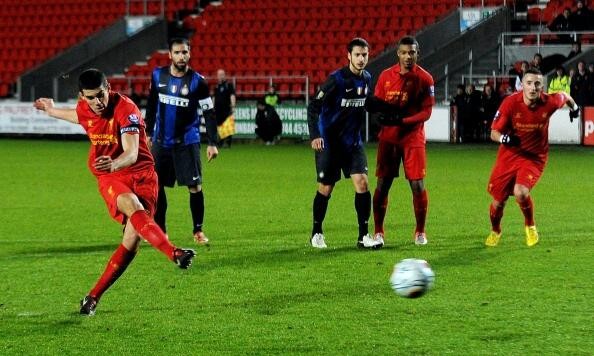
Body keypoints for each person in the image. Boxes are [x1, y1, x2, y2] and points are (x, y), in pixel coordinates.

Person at [33, 69, 196, 316]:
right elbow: (77, 116)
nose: (98, 102)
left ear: (108, 87)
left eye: (101, 95)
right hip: (110, 176)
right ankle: (174, 252)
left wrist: (114, 162)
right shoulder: (85, 108)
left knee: (131, 242)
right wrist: (50, 109)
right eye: (91, 98)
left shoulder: (126, 110)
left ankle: (92, 296)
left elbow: (131, 153)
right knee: (131, 205)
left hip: (140, 174)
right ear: (82, 97)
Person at [485, 67, 579, 248]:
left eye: (537, 84)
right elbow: (494, 133)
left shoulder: (550, 101)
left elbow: (565, 96)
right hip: (509, 154)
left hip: (534, 157)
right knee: (498, 202)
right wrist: (505, 138)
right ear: (522, 85)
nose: (533, 88)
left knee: (521, 192)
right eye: (529, 83)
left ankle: (530, 225)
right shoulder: (510, 103)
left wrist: (575, 109)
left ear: (542, 86)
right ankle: (495, 230)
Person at [145, 37, 219, 246]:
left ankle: (198, 230)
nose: (181, 56)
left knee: (195, 187)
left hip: (187, 141)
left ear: (190, 54)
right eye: (177, 52)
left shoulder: (198, 81)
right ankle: (161, 231)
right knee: (157, 187)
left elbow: (209, 113)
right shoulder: (158, 76)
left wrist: (212, 142)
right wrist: (148, 133)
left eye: (185, 52)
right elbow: (151, 105)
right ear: (170, 55)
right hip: (161, 141)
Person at [307, 37, 377, 249]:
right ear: (349, 56)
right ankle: (316, 232)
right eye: (357, 55)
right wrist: (315, 135)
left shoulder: (366, 78)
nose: (361, 58)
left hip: (352, 143)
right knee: (326, 188)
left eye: (364, 55)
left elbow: (367, 104)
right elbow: (313, 107)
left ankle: (363, 235)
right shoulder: (335, 80)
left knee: (363, 183)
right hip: (329, 143)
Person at [369, 35, 435, 247]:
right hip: (388, 138)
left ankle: (420, 232)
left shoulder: (425, 79)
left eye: (412, 52)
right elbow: (378, 103)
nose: (408, 56)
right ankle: (378, 231)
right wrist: (378, 115)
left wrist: (403, 120)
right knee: (383, 184)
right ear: (398, 53)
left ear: (418, 53)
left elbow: (426, 112)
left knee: (417, 184)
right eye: (404, 52)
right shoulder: (385, 76)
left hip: (413, 137)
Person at [214, 68, 236, 148]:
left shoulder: (229, 85)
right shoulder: (216, 86)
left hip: (226, 108)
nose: (220, 76)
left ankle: (227, 142)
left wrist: (233, 106)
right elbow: (214, 98)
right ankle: (220, 142)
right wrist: (213, 108)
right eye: (219, 75)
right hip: (218, 109)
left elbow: (232, 96)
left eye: (222, 74)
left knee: (227, 125)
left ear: (224, 75)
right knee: (219, 125)